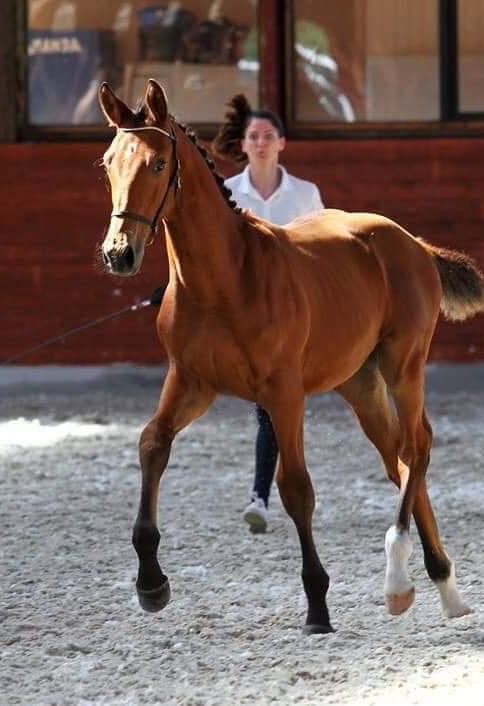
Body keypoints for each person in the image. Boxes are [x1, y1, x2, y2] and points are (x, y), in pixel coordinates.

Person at [213, 95, 324, 533]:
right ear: (243, 144)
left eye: (268, 137)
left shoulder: (306, 194)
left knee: (275, 407)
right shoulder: (227, 194)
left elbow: (320, 250)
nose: (260, 143)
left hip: (296, 315)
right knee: (272, 407)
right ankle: (263, 494)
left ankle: (263, 493)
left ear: (282, 143)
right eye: (253, 137)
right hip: (245, 320)